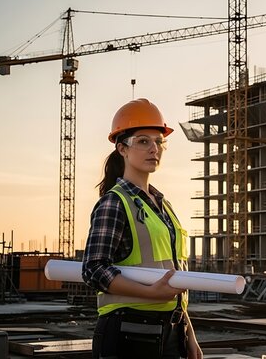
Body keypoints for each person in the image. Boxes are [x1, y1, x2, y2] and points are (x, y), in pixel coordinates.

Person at [82, 98, 203, 359]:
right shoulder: (114, 203)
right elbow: (93, 269)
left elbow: (174, 275)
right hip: (127, 331)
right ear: (122, 148)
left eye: (159, 142)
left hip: (169, 330)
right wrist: (150, 292)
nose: (154, 149)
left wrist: (188, 334)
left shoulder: (163, 207)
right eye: (143, 141)